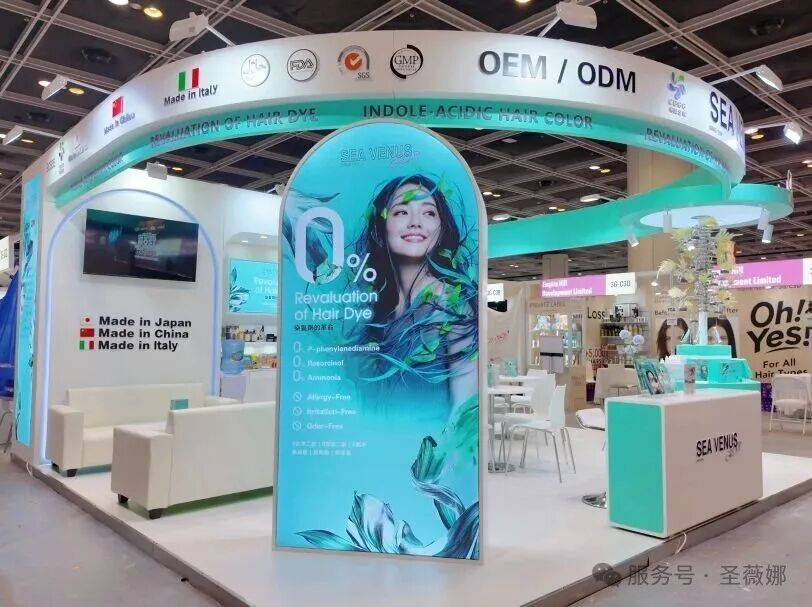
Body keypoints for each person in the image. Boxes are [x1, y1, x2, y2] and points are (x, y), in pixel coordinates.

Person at [355, 175, 478, 415]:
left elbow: (464, 411)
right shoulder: (377, 311)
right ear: (381, 227)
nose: (415, 223)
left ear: (442, 228)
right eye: (402, 212)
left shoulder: (452, 305)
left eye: (429, 213)